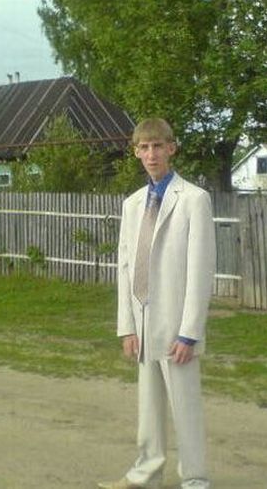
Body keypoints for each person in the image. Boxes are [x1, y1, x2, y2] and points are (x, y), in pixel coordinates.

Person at [98, 118, 215, 489]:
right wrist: (127, 327)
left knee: (185, 408)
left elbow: (201, 270)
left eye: (158, 146)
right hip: (143, 322)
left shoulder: (193, 199)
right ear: (136, 152)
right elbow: (125, 267)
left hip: (177, 327)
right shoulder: (133, 204)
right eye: (144, 147)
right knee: (148, 409)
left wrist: (189, 333)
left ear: (171, 148)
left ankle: (194, 479)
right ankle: (145, 475)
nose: (151, 154)